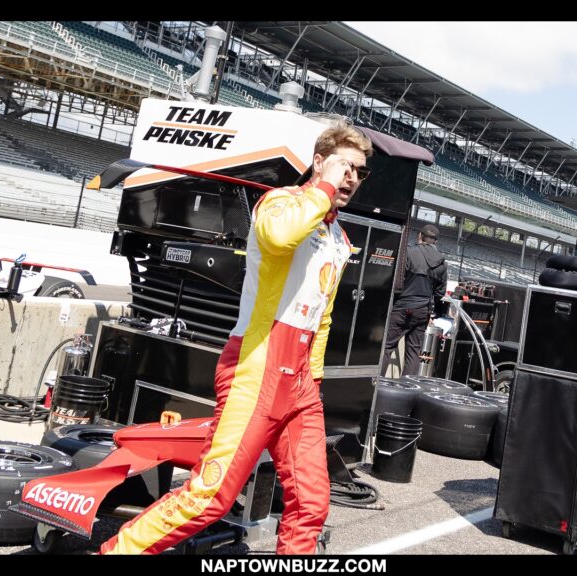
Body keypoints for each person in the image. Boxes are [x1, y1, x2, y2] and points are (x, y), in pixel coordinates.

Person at [101, 125, 373, 555]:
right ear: (319, 162)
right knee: (210, 497)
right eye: (344, 166)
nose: (352, 178)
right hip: (256, 367)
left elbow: (323, 316)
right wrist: (322, 186)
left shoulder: (338, 236)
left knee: (311, 502)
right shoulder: (281, 203)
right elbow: (281, 238)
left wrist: (313, 379)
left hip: (300, 382)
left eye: (360, 171)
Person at [381, 223, 447, 377]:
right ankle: (407, 390)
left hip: (402, 307)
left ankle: (378, 384)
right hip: (423, 311)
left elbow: (396, 282)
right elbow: (440, 292)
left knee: (387, 347)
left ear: (419, 236)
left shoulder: (408, 253)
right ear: (436, 242)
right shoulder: (442, 263)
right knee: (413, 351)